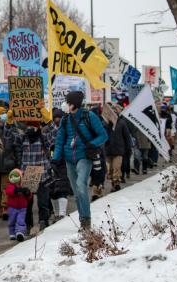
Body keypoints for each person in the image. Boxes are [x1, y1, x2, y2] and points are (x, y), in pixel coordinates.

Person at [51, 92, 108, 230]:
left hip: (84, 156)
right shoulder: (65, 120)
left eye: (67, 102)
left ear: (74, 104)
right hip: (69, 159)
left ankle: (86, 219)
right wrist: (55, 158)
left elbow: (103, 135)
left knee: (81, 186)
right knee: (76, 192)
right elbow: (60, 141)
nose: (65, 104)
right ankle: (82, 219)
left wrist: (92, 144)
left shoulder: (89, 116)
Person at [20, 121, 52, 231]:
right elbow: (9, 139)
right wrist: (8, 124)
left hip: (42, 172)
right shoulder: (23, 138)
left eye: (33, 126)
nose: (30, 128)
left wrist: (49, 122)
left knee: (43, 201)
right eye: (28, 126)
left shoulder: (43, 137)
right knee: (28, 202)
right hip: (28, 172)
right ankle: (28, 224)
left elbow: (54, 139)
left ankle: (43, 221)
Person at [103, 105, 132, 192]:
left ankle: (116, 184)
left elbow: (127, 136)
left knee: (116, 168)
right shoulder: (105, 123)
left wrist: (128, 148)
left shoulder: (121, 123)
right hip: (108, 150)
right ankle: (113, 183)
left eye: (115, 113)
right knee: (110, 170)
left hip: (118, 150)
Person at [5, 169, 32, 241]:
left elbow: (29, 197)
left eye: (16, 176)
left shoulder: (24, 187)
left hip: (22, 208)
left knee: (21, 220)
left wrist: (28, 193)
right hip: (12, 207)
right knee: (12, 220)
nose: (14, 178)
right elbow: (9, 192)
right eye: (12, 176)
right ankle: (12, 233)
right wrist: (16, 191)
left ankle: (20, 232)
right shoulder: (10, 186)